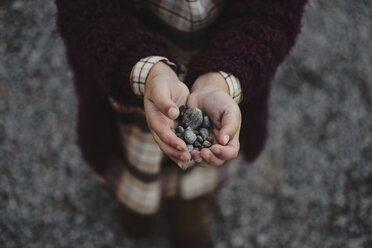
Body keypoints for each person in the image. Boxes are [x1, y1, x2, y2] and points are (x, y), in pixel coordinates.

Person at [56, 0, 308, 247]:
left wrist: (218, 80)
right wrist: (150, 71)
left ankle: (188, 206)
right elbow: (85, 11)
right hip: (132, 94)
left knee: (200, 158)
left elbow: (274, 13)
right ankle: (135, 205)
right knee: (134, 163)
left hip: (218, 83)